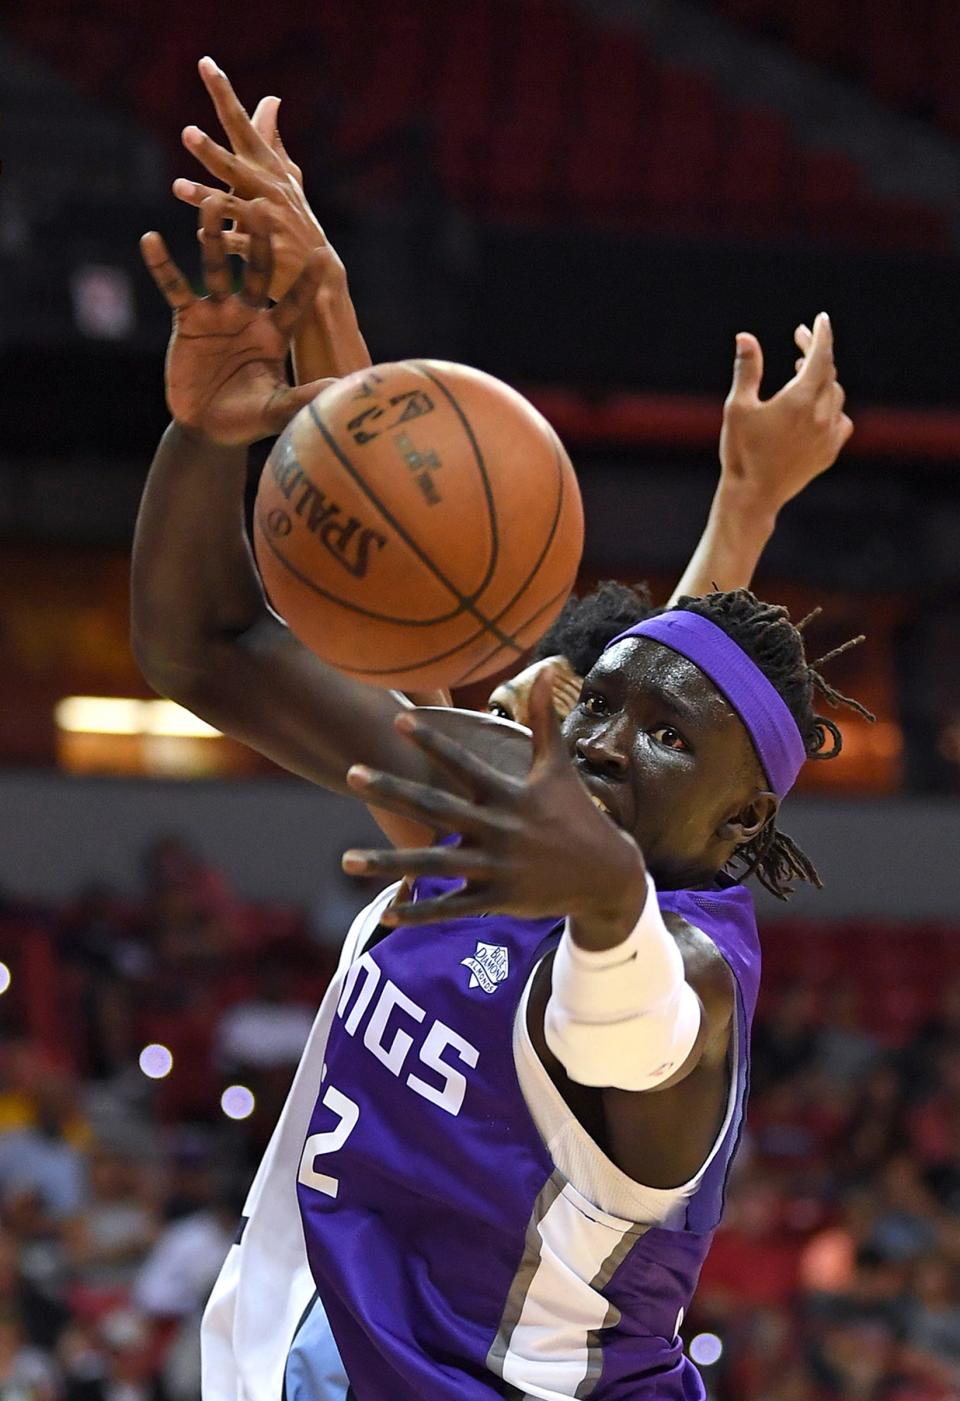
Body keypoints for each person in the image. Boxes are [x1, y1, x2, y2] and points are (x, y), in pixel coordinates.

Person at [133, 192, 869, 1399]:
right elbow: (202, 647)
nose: (605, 744)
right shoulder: (477, 814)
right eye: (590, 706)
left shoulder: (687, 979)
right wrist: (211, 431)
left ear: (743, 830)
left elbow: (631, 998)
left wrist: (607, 899)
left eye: (664, 738)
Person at [172, 58, 854, 725]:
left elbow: (638, 697)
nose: (502, 745)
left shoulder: (603, 818)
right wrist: (319, 286)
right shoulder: (470, 803)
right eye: (500, 714)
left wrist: (747, 505)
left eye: (552, 726)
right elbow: (389, 551)